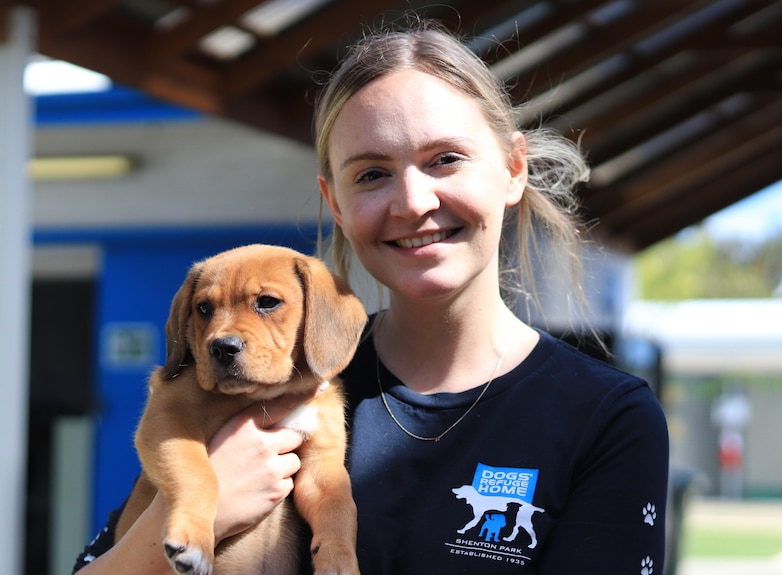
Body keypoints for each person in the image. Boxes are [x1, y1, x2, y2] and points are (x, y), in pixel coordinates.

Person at [74, 21, 669, 575]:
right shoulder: (285, 377)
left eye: (446, 160)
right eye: (371, 174)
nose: (412, 202)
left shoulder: (606, 418)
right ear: (335, 202)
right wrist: (208, 505)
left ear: (513, 169)